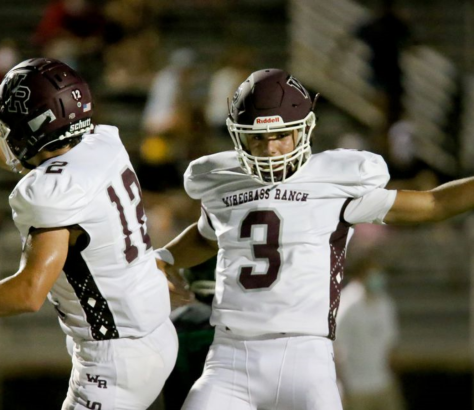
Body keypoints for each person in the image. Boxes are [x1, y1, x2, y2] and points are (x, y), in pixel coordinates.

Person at [155, 68, 474, 410]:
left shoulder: (334, 184)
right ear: (238, 137)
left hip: (305, 358)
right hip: (230, 357)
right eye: (257, 138)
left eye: (281, 135)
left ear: (304, 129)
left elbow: (433, 204)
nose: (270, 149)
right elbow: (206, 237)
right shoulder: (224, 183)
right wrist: (164, 258)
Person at [0, 58, 177, 410]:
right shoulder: (102, 143)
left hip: (114, 361)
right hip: (155, 332)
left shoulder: (51, 189)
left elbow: (29, 292)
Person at [336, 258, 405, 410]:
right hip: (356, 388)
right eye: (373, 273)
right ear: (360, 275)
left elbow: (390, 347)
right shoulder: (346, 305)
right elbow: (336, 350)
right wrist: (341, 387)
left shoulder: (386, 304)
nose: (377, 278)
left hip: (383, 384)